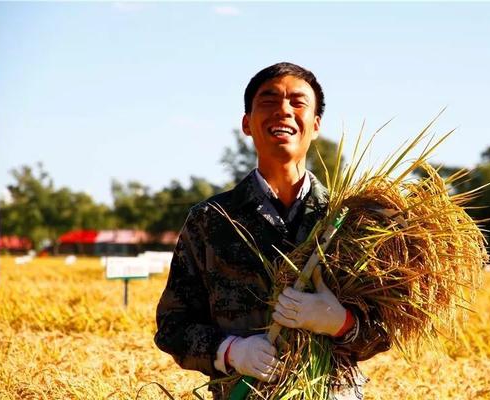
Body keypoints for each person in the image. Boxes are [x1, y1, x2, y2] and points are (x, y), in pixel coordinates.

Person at [154, 62, 390, 400]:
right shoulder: (211, 220)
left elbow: (384, 330)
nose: (283, 110)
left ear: (316, 124)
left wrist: (339, 322)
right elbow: (172, 327)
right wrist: (231, 351)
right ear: (247, 124)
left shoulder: (352, 222)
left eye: (298, 102)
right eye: (268, 100)